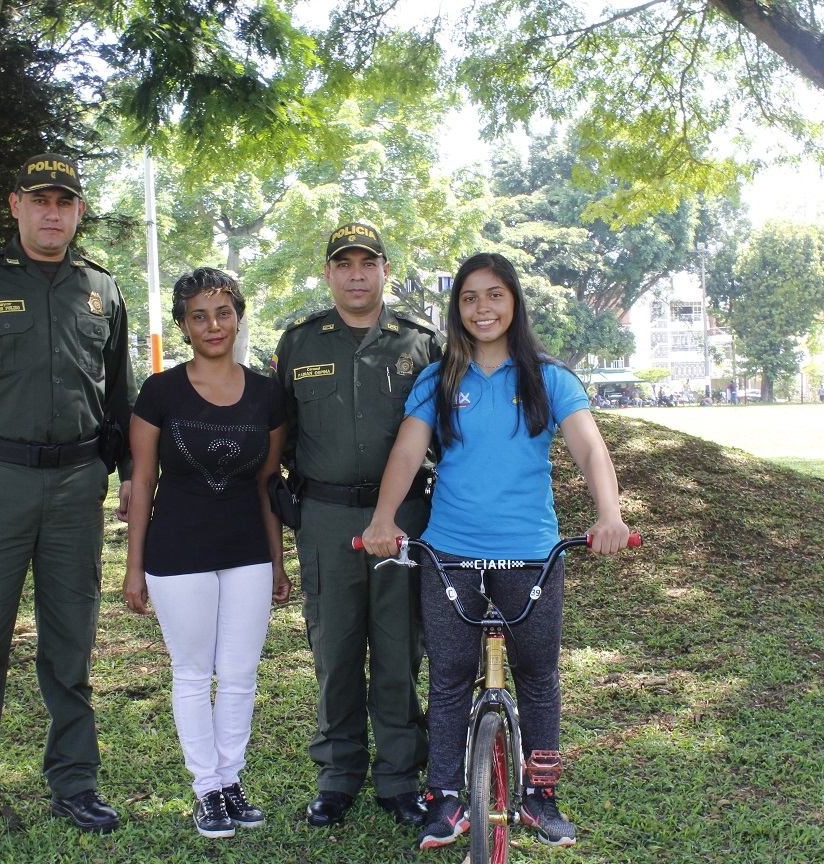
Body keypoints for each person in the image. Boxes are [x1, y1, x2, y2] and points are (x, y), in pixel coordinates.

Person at [360, 251, 632, 851]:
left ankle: (541, 796)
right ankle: (446, 800)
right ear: (457, 309)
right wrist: (384, 519)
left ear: (513, 302)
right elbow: (407, 454)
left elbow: (590, 450)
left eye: (494, 295)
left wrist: (608, 515)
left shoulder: (549, 376)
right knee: (451, 676)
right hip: (451, 551)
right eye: (469, 298)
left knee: (537, 676)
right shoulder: (438, 380)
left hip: (532, 552)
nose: (482, 308)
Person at [0, 153, 136, 859]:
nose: (52, 212)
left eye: (64, 201)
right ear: (15, 205)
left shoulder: (102, 290)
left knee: (70, 648)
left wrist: (130, 472)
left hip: (77, 489)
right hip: (1, 485)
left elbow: (122, 396)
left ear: (77, 211)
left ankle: (74, 782)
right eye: (40, 199)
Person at [271, 222, 444, 829]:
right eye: (343, 264)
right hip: (325, 518)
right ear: (329, 273)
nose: (355, 275)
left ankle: (400, 778)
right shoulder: (298, 344)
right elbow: (280, 435)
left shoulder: (421, 344)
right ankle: (339, 775)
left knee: (399, 648)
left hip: (404, 518)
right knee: (335, 651)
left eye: (366, 263)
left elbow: (447, 435)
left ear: (384, 271)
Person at [122, 268, 291, 839]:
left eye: (223, 312)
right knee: (194, 674)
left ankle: (232, 781)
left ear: (238, 316)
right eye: (199, 314)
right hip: (178, 551)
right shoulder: (160, 392)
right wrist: (133, 567)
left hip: (246, 550)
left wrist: (278, 561)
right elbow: (142, 482)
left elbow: (269, 483)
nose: (213, 324)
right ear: (183, 325)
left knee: (240, 674)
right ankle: (206, 790)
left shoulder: (268, 394)